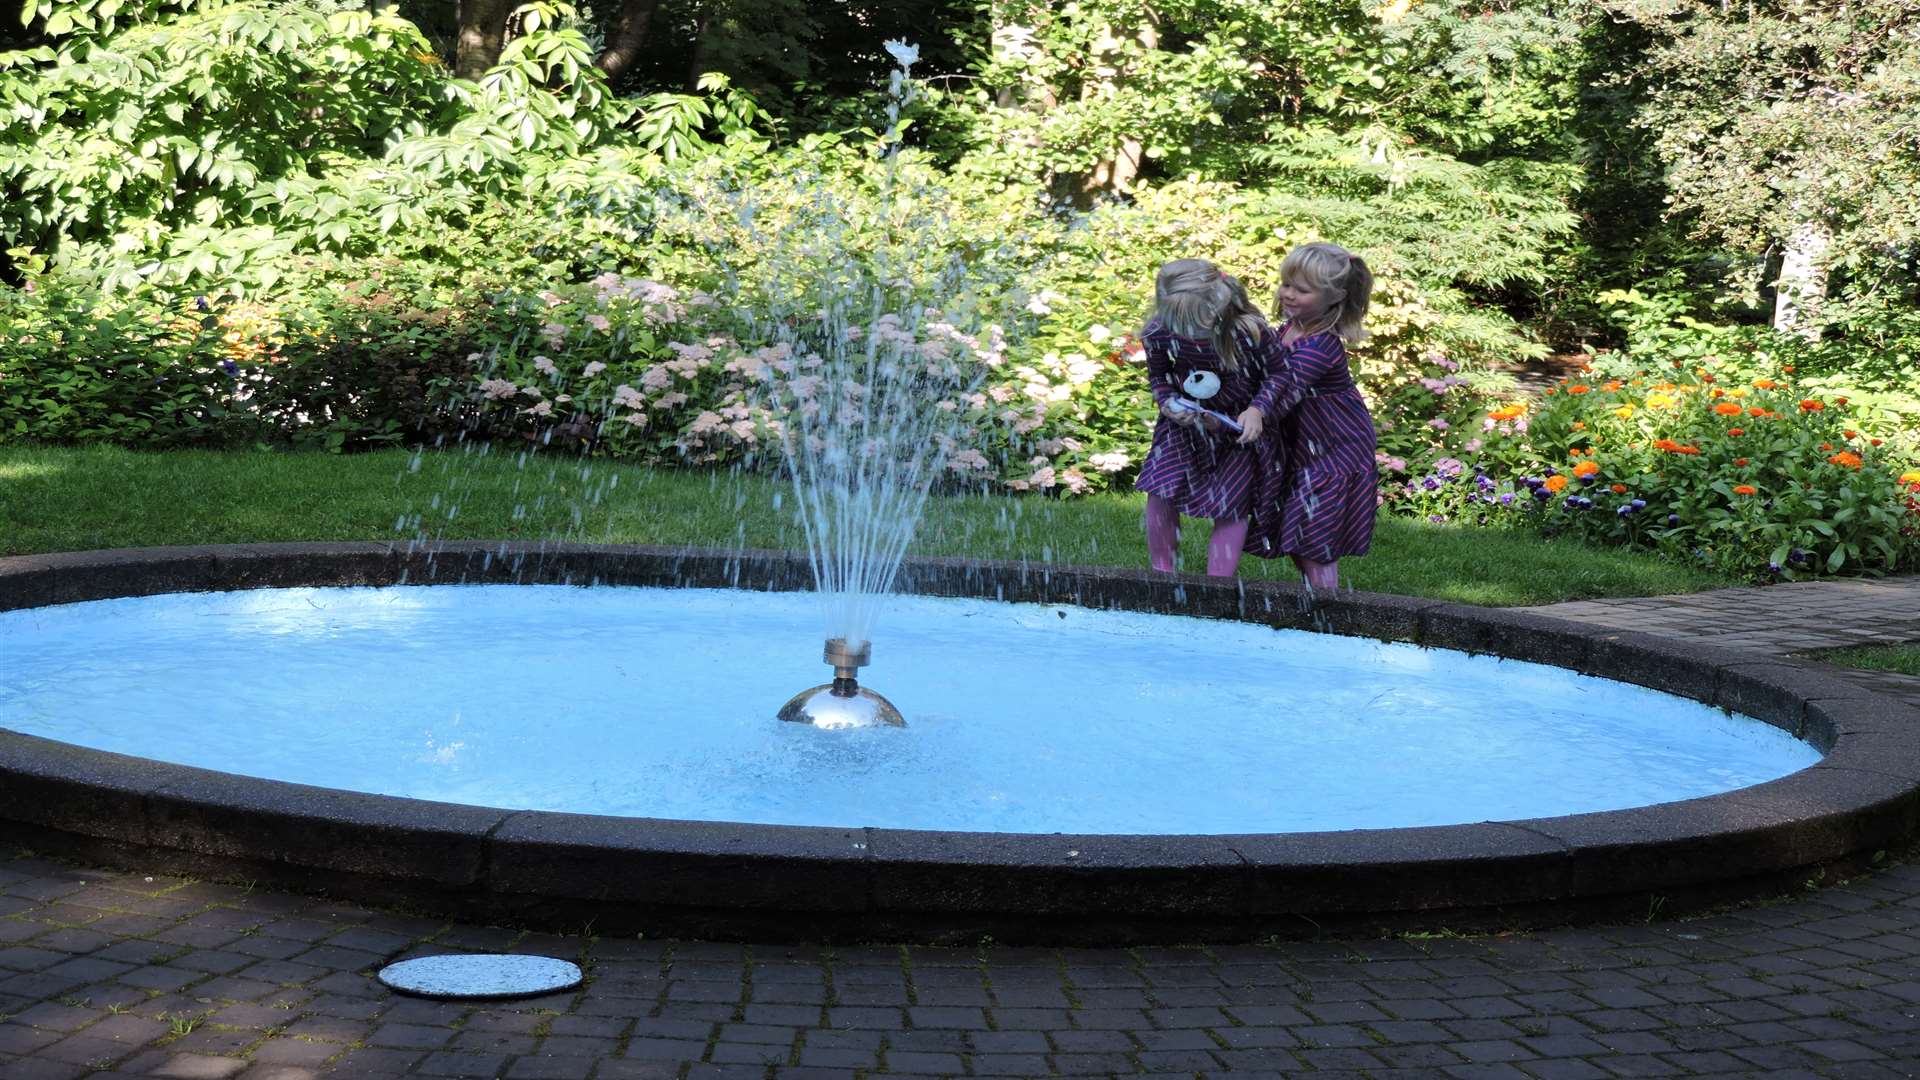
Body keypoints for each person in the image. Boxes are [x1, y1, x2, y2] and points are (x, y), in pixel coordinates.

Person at [1133, 258, 1291, 576]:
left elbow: (1279, 374)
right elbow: (1159, 378)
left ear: (1216, 302)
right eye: (1176, 319)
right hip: (1183, 427)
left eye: (1191, 319)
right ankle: (1162, 572)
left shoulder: (1247, 331)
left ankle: (1218, 583)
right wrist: (1166, 403)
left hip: (1238, 429)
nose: (1184, 328)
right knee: (1161, 489)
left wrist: (1257, 410)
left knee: (1232, 505)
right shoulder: (1159, 332)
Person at [1269, 242, 1379, 592]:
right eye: (1286, 284)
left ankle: (1328, 609)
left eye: (1301, 289)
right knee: (1296, 526)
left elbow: (1283, 387)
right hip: (1306, 443)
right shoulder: (1289, 329)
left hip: (1337, 446)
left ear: (1334, 297)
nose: (1288, 294)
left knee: (1315, 530)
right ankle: (1315, 599)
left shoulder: (1320, 344)